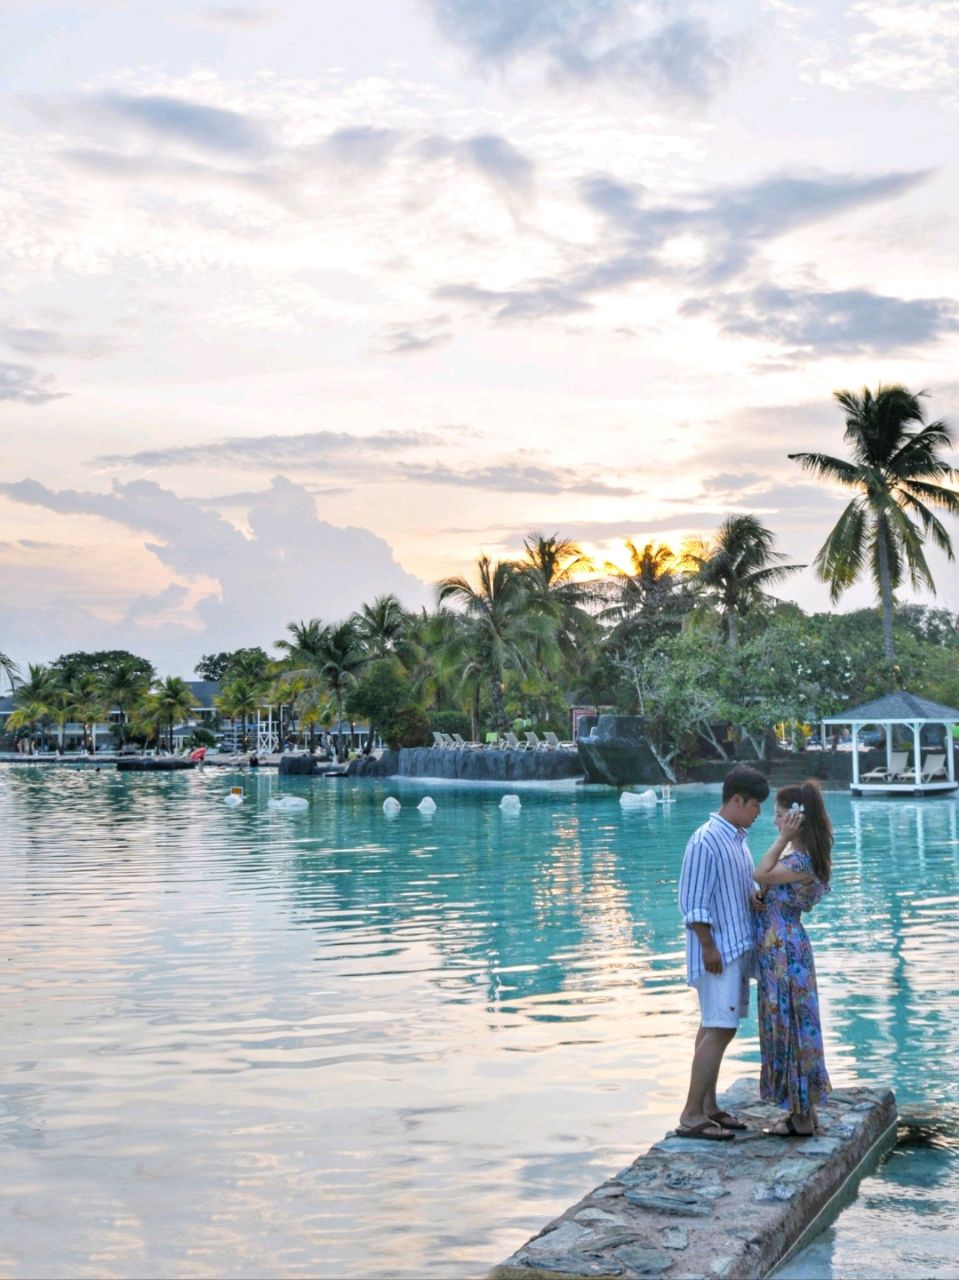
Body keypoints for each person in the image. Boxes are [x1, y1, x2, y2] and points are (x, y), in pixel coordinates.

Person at [676, 764, 770, 1140]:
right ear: (736, 800)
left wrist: (754, 898)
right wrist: (708, 947)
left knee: (716, 1027)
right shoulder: (706, 840)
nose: (759, 812)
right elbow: (692, 903)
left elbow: (735, 889)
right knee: (719, 1027)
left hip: (733, 947)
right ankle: (691, 1115)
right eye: (755, 805)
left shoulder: (736, 839)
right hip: (717, 952)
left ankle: (709, 1106)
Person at [753, 780, 832, 1137]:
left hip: (785, 951)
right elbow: (769, 886)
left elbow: (761, 872)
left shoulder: (801, 859)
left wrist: (784, 838)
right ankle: (804, 1112)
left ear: (797, 820)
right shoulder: (800, 859)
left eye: (780, 816)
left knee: (791, 1026)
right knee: (791, 1025)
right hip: (783, 947)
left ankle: (801, 1117)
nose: (775, 822)